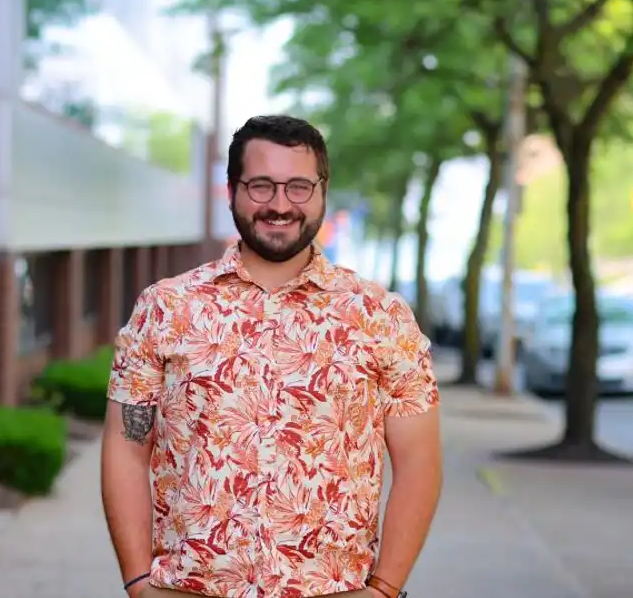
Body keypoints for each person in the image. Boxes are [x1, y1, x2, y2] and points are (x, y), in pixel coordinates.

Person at [101, 115, 443, 598]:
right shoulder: (166, 308)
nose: (280, 205)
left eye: (299, 187)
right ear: (232, 190)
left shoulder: (380, 317)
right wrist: (138, 584)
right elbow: (126, 446)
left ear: (323, 191)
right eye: (261, 186)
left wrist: (385, 589)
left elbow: (420, 461)